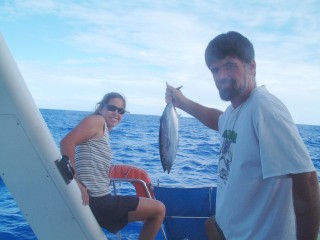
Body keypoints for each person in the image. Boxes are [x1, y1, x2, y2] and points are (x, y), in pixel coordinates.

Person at [165, 31, 320, 239]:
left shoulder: (264, 106)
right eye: (215, 69)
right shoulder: (235, 111)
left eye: (230, 65)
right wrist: (182, 102)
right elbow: (218, 120)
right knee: (210, 225)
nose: (221, 76)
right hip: (230, 230)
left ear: (252, 67)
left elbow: (307, 180)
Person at [60, 92, 165, 240]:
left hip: (101, 200)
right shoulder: (96, 121)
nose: (116, 113)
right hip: (99, 202)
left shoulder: (103, 131)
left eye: (121, 111)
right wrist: (76, 181)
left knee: (155, 210)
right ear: (101, 107)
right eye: (112, 108)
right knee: (159, 209)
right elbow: (66, 143)